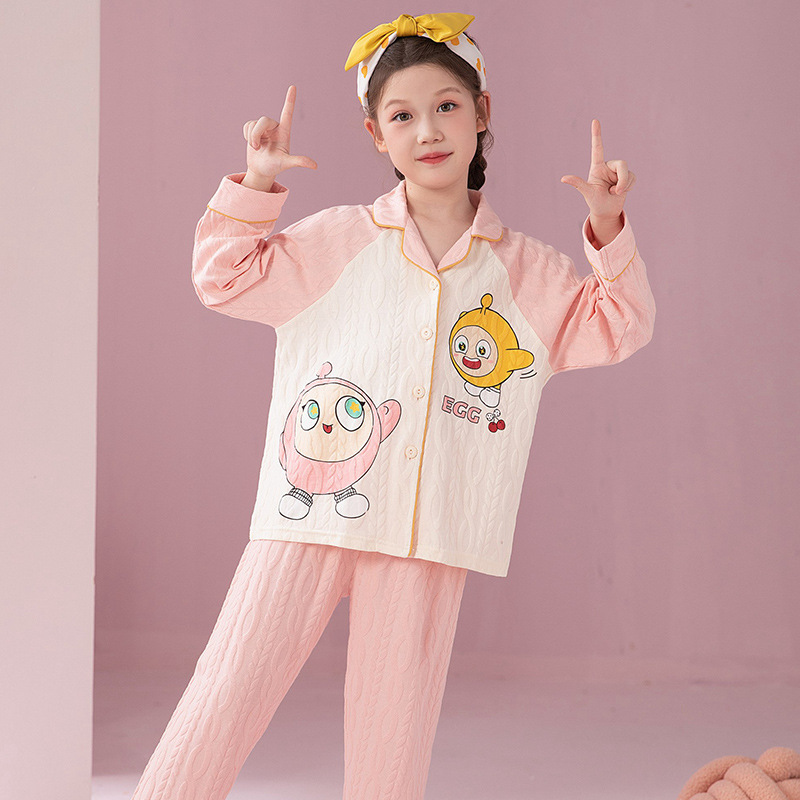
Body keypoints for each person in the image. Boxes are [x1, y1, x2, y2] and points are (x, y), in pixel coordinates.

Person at [131, 12, 655, 800]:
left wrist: (607, 227)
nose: (428, 131)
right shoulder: (337, 241)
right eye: (402, 116)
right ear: (376, 135)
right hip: (310, 509)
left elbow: (620, 325)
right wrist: (258, 181)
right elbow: (223, 277)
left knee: (393, 739)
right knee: (226, 691)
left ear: (482, 112)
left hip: (430, 531)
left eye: (446, 106)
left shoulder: (526, 273)